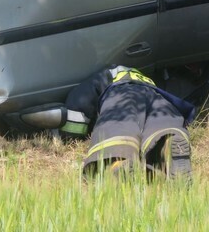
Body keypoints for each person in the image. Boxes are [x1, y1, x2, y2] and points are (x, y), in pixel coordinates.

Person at [60, 65, 195, 180]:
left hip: (121, 95)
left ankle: (116, 164)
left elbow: (79, 101)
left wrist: (71, 135)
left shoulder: (103, 75)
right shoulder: (145, 77)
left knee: (118, 129)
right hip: (158, 98)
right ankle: (166, 144)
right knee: (160, 124)